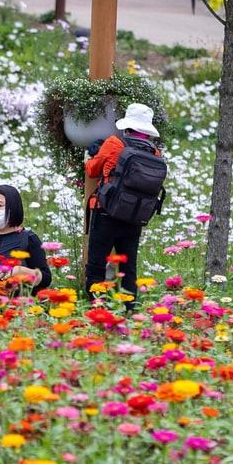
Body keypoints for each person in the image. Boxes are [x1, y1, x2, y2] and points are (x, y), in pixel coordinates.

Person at [84, 103, 162, 311]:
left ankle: (96, 307)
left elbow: (93, 170)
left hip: (106, 211)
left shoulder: (114, 143)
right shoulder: (155, 153)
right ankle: (129, 309)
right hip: (135, 216)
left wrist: (90, 156)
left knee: (97, 262)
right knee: (129, 265)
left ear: (127, 124)